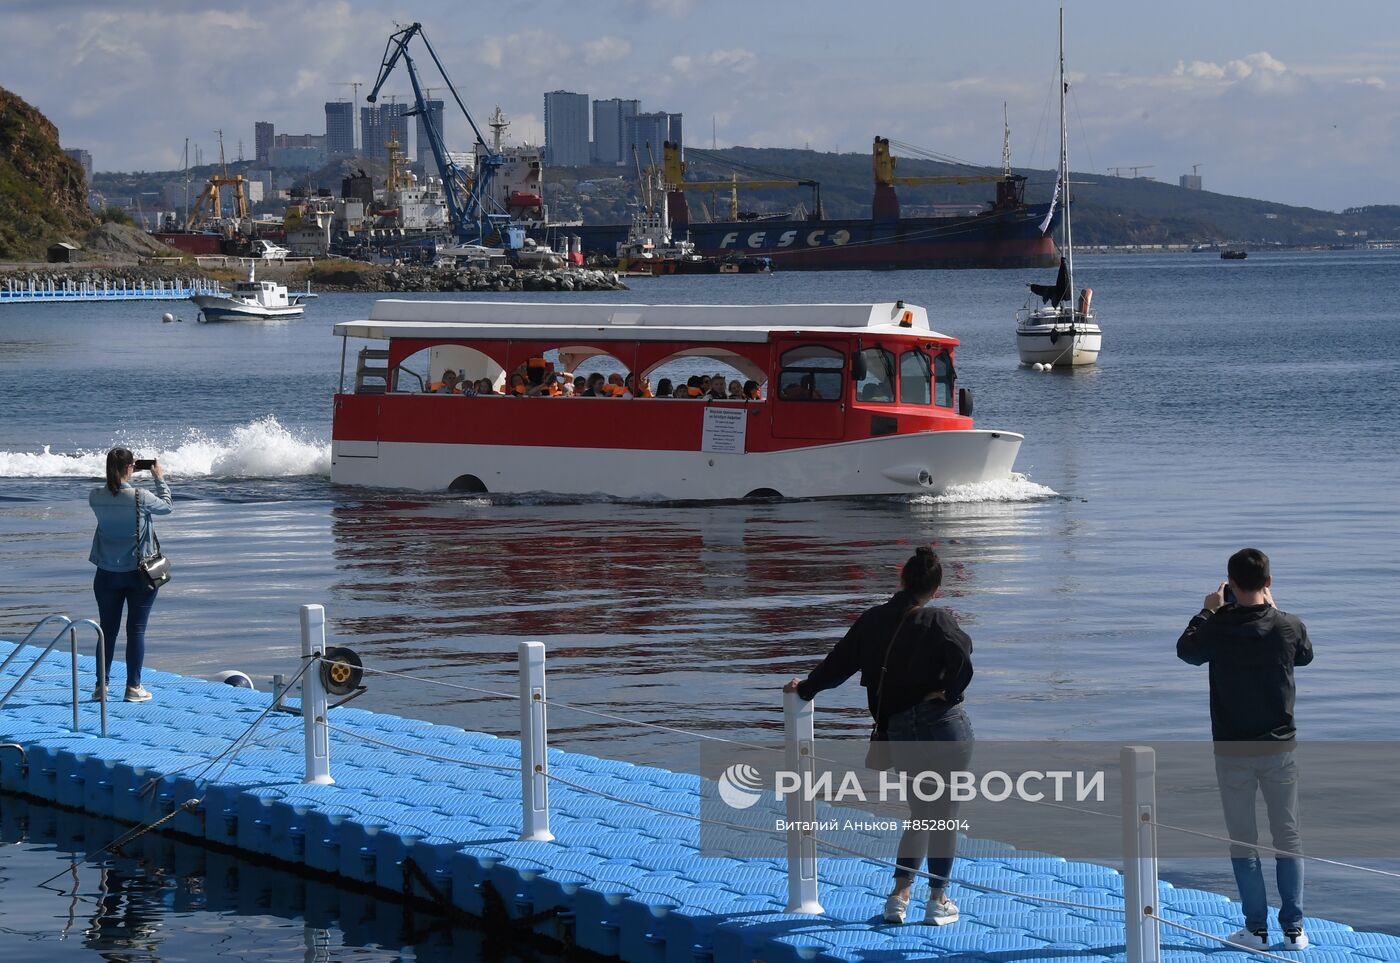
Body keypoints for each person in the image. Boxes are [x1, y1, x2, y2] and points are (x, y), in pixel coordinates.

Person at [784, 547, 973, 927]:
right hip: (943, 725)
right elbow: (962, 657)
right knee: (944, 815)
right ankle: (938, 900)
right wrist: (950, 693)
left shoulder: (873, 620)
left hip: (900, 728)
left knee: (921, 812)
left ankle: (898, 897)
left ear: (901, 579)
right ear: (936, 589)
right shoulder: (938, 620)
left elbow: (837, 665)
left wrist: (806, 689)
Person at [1178, 548, 1313, 952]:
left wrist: (1207, 612)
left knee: (1243, 840)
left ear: (1230, 584)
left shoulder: (1216, 628)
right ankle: (1294, 929)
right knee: (1288, 838)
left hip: (1233, 750)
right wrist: (1276, 610)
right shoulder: (1287, 625)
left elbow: (1186, 651)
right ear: (1268, 583)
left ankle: (1256, 928)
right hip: (1279, 749)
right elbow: (1304, 656)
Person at [89, 448, 173, 703]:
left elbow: (113, 493)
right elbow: (167, 507)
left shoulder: (94, 496)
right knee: (136, 630)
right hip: (139, 574)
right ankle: (133, 687)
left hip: (106, 574)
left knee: (107, 630)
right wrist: (159, 477)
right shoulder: (141, 496)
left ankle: (100, 687)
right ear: (131, 468)